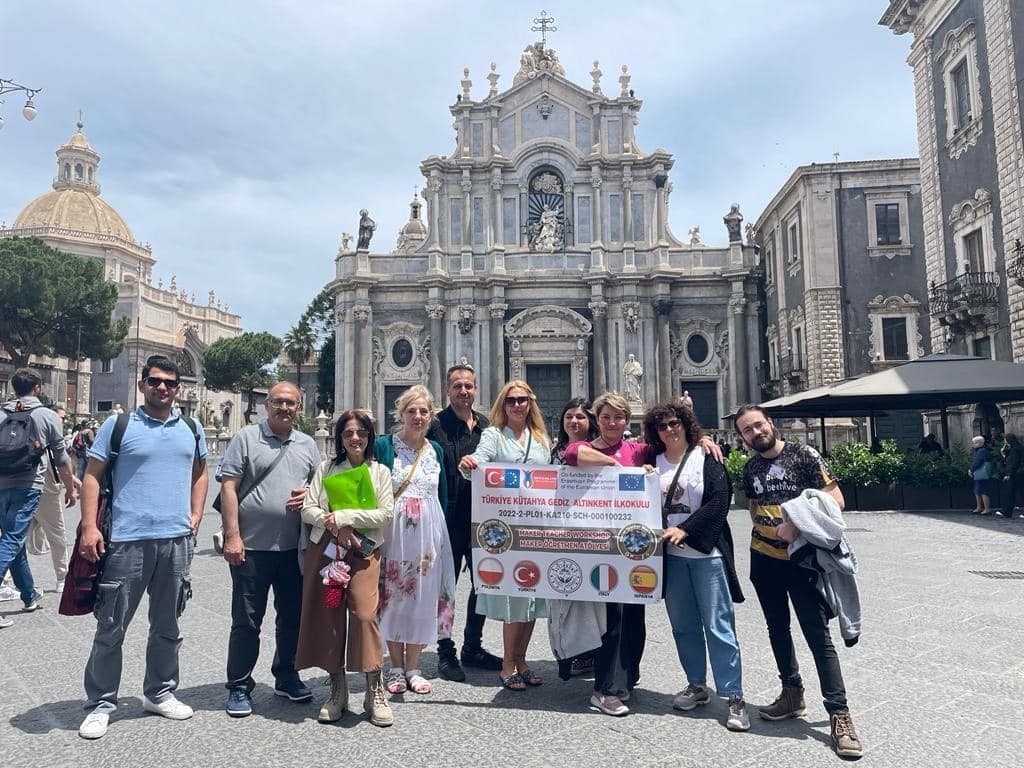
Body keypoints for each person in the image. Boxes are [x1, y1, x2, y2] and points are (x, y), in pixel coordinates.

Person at [563, 392, 721, 716]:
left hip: (637, 550)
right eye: (605, 417)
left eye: (618, 417)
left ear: (626, 420)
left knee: (635, 618)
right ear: (597, 419)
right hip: (602, 550)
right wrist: (613, 463)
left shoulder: (639, 449)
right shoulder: (588, 448)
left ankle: (626, 680)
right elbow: (571, 453)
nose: (611, 423)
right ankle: (605, 689)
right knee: (612, 620)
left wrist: (702, 440)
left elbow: (673, 447)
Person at [76, 356, 208, 740]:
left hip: (176, 540)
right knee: (112, 625)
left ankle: (160, 692)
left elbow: (200, 473)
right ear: (142, 384)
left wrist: (196, 514)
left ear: (178, 388)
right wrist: (88, 527)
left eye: (169, 382)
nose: (162, 388)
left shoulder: (191, 427)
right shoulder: (118, 425)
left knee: (168, 625)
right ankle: (101, 703)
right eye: (155, 381)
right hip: (127, 541)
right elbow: (92, 476)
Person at [734, 405, 863, 759]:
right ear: (742, 437)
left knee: (817, 635)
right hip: (763, 559)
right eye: (747, 430)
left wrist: (797, 524)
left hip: (801, 561)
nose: (755, 432)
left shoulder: (804, 454)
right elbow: (754, 505)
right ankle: (792, 693)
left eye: (758, 425)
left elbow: (836, 499)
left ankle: (840, 714)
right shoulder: (750, 467)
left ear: (770, 424)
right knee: (777, 629)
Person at [642, 401, 747, 732]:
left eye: (674, 423)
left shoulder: (707, 456)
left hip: (706, 555)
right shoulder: (650, 461)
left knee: (718, 625)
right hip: (671, 559)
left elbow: (719, 502)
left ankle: (734, 696)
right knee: (683, 625)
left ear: (686, 424)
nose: (669, 430)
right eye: (662, 426)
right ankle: (697, 685)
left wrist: (685, 529)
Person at [219, 381, 322, 717]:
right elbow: (229, 488)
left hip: (294, 549)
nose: (285, 408)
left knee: (291, 617)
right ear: (267, 404)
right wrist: (232, 536)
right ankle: (239, 684)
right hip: (251, 547)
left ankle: (286, 675)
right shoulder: (246, 438)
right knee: (247, 619)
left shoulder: (307, 444)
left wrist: (309, 496)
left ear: (299, 407)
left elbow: (319, 491)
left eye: (291, 403)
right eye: (278, 402)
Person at [296, 408, 395, 727]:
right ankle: (337, 688)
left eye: (362, 433)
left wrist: (344, 518)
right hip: (329, 553)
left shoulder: (379, 472)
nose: (355, 438)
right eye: (349, 433)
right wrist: (331, 523)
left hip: (364, 553)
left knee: (365, 614)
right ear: (340, 437)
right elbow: (309, 508)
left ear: (370, 438)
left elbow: (385, 514)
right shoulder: (326, 468)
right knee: (330, 614)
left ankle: (373, 686)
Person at [458, 380, 551, 690]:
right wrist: (471, 463)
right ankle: (508, 663)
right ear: (503, 404)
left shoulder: (540, 439)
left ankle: (522, 659)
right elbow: (479, 462)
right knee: (515, 595)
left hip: (536, 527)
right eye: (511, 400)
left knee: (533, 597)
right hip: (506, 529)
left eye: (522, 399)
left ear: (531, 403)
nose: (517, 405)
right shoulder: (493, 436)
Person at [375, 385, 456, 697]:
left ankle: (414, 667)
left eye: (423, 411)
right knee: (393, 597)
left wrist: (441, 534)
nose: (418, 416)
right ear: (401, 414)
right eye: (412, 411)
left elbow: (442, 494)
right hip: (394, 535)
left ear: (431, 416)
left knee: (424, 598)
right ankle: (394, 666)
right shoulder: (385, 446)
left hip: (429, 535)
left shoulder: (435, 450)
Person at [427, 364, 502, 681]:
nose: (463, 391)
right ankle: (446, 651)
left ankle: (472, 645)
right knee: (445, 588)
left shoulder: (487, 427)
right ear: (447, 390)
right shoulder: (434, 426)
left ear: (476, 390)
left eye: (468, 386)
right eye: (457, 386)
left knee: (484, 584)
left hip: (482, 520)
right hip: (447, 520)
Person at [0, 368, 79, 627]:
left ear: (13, 388)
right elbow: (61, 458)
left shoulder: (1, 413)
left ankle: (28, 594)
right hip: (29, 485)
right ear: (37, 389)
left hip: (1, 485)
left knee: (14, 538)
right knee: (12, 538)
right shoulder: (46, 415)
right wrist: (70, 487)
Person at [548, 398, 598, 679]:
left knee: (591, 594)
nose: (574, 422)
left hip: (590, 530)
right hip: (560, 530)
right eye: (569, 416)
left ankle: (588, 652)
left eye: (580, 416)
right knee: (563, 591)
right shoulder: (554, 451)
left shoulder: (599, 448)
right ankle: (567, 651)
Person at [27, 405, 73, 594]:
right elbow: (61, 462)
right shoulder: (50, 435)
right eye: (61, 417)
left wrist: (73, 481)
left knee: (13, 537)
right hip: (46, 488)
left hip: (21, 484)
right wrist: (70, 488)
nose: (62, 420)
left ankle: (5, 580)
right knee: (57, 533)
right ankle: (62, 577)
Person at [969, 436, 993, 515]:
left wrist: (971, 470)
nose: (973, 444)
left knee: (983, 491)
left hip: (981, 473)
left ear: (979, 443)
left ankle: (986, 509)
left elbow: (977, 462)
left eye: (974, 443)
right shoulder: (978, 450)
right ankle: (979, 507)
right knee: (977, 491)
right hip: (978, 473)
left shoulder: (982, 451)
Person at [1001, 434, 1024, 519]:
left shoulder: (1015, 449)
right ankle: (1007, 512)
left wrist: (1008, 474)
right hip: (1017, 474)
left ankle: (1007, 512)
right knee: (1011, 493)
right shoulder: (1016, 448)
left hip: (1017, 474)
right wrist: (1003, 453)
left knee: (1013, 493)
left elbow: (1013, 463)